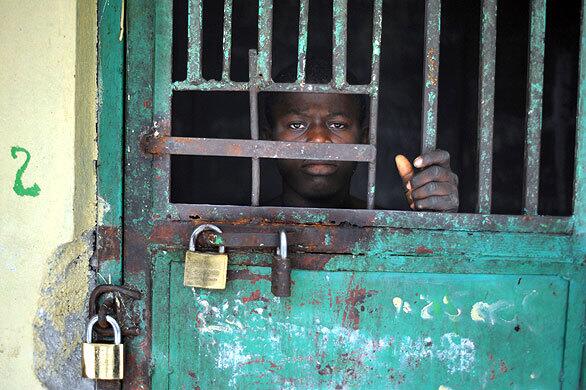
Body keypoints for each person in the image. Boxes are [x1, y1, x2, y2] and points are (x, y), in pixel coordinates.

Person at [261, 63, 459, 211]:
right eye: (297, 125)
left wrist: (439, 223)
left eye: (338, 125)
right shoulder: (239, 227)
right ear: (267, 139)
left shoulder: (386, 228)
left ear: (364, 137)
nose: (319, 138)